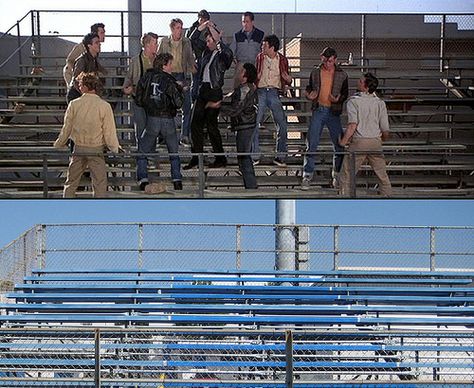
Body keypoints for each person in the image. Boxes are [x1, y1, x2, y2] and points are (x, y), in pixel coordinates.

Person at [54, 72, 120, 198]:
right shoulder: (104, 106)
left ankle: (66, 207)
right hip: (96, 149)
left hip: (78, 148)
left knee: (71, 182)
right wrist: (115, 148)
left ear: (84, 86)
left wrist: (59, 143)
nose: (78, 87)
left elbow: (66, 128)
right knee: (99, 183)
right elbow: (109, 132)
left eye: (80, 84)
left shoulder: (74, 104)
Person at [183, 23, 233, 170]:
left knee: (212, 126)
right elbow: (193, 40)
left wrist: (217, 40)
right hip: (203, 90)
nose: (207, 43)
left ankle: (220, 158)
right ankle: (196, 157)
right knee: (194, 124)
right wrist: (204, 25)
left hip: (214, 91)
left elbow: (228, 57)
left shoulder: (223, 54)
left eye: (210, 40)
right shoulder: (206, 53)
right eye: (208, 41)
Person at [134, 53, 184, 191]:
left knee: (142, 151)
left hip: (152, 118)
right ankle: (177, 180)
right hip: (168, 119)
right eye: (170, 64)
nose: (172, 67)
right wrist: (180, 89)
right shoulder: (170, 81)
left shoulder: (146, 77)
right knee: (173, 152)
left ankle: (143, 179)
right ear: (164, 65)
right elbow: (179, 103)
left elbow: (138, 99)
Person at [301, 46, 348, 190]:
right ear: (322, 59)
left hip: (333, 112)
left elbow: (345, 93)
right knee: (312, 142)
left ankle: (337, 175)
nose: (328, 64)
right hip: (319, 109)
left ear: (335, 60)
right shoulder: (315, 72)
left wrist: (339, 99)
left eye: (331, 61)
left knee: (339, 144)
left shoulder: (342, 75)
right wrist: (309, 95)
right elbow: (309, 88)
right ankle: (307, 175)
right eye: (326, 61)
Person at [338, 73, 392, 197]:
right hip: (375, 141)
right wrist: (382, 139)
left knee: (347, 174)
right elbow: (385, 127)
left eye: (361, 81)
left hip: (360, 141)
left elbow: (352, 125)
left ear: (366, 86)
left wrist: (343, 141)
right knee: (382, 174)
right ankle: (387, 195)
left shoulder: (353, 102)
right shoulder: (380, 103)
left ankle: (344, 197)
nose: (358, 82)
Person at [252, 34, 292, 166]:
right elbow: (256, 74)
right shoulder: (260, 57)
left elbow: (288, 79)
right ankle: (255, 155)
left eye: (265, 45)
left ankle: (280, 156)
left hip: (274, 92)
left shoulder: (282, 60)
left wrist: (288, 80)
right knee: (254, 122)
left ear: (272, 47)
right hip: (261, 91)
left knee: (282, 124)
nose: (262, 46)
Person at [219, 63, 258, 189]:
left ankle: (251, 187)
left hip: (245, 125)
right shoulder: (246, 87)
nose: (239, 72)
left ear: (245, 77)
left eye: (242, 71)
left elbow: (236, 109)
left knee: (244, 157)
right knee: (243, 157)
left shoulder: (244, 89)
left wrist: (218, 108)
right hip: (245, 125)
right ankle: (250, 186)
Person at [158, 18, 195, 147]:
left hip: (181, 74)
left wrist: (193, 69)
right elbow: (159, 59)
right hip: (168, 76)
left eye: (181, 27)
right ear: (172, 29)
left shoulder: (186, 42)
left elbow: (190, 58)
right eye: (178, 28)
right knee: (166, 106)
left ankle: (184, 135)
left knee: (186, 106)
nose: (180, 31)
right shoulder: (164, 41)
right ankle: (165, 135)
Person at [123, 32, 159, 145]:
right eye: (155, 43)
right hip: (139, 100)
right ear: (147, 44)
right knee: (140, 129)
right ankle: (142, 158)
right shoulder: (135, 61)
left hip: (154, 100)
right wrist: (126, 88)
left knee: (153, 129)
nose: (157, 46)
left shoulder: (159, 61)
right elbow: (128, 78)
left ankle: (150, 155)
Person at [67, 32, 106, 103]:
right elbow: (76, 80)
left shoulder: (94, 60)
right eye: (96, 43)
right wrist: (85, 96)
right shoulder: (82, 60)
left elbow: (104, 72)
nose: (99, 44)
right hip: (77, 96)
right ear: (89, 46)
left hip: (85, 95)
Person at [230, 11, 264, 88]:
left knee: (256, 86)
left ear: (252, 22)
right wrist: (234, 59)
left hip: (255, 64)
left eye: (247, 21)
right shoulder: (237, 35)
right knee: (237, 85)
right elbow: (232, 50)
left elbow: (263, 51)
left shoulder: (260, 34)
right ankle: (237, 97)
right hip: (241, 64)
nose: (245, 24)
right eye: (243, 22)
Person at [186, 9, 211, 102]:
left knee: (205, 83)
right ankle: (194, 101)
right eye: (202, 20)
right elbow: (189, 42)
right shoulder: (192, 30)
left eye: (205, 21)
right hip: (196, 59)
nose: (203, 23)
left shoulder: (209, 30)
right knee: (195, 83)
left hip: (206, 60)